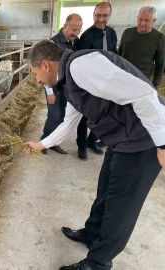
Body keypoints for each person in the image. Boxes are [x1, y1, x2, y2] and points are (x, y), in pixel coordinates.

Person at [24, 40, 165, 270]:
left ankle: (98, 263)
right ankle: (92, 235)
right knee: (105, 191)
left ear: (46, 65)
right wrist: (40, 144)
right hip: (122, 140)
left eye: (35, 72)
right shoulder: (69, 80)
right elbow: (68, 124)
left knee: (121, 207)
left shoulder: (82, 67)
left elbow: (143, 94)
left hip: (143, 141)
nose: (37, 80)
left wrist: (162, 143)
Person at [76, 2, 118, 160]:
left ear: (109, 16)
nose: (101, 19)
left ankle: (91, 141)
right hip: (90, 83)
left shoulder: (112, 34)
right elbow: (80, 62)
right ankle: (81, 145)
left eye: (104, 15)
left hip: (107, 81)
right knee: (85, 115)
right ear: (93, 15)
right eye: (98, 15)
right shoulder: (86, 36)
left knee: (102, 114)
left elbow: (114, 55)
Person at [41, 13, 83, 155]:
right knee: (54, 116)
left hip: (67, 86)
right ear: (65, 26)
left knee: (62, 117)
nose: (75, 33)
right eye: (73, 29)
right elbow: (44, 69)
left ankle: (54, 142)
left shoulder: (75, 41)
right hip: (54, 87)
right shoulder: (52, 44)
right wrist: (50, 92)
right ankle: (44, 142)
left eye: (78, 30)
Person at [119, 6, 165, 90]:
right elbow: (119, 54)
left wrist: (155, 86)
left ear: (154, 21)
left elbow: (160, 64)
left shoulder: (159, 38)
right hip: (124, 77)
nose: (142, 23)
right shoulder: (127, 32)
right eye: (140, 19)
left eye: (147, 20)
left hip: (144, 81)